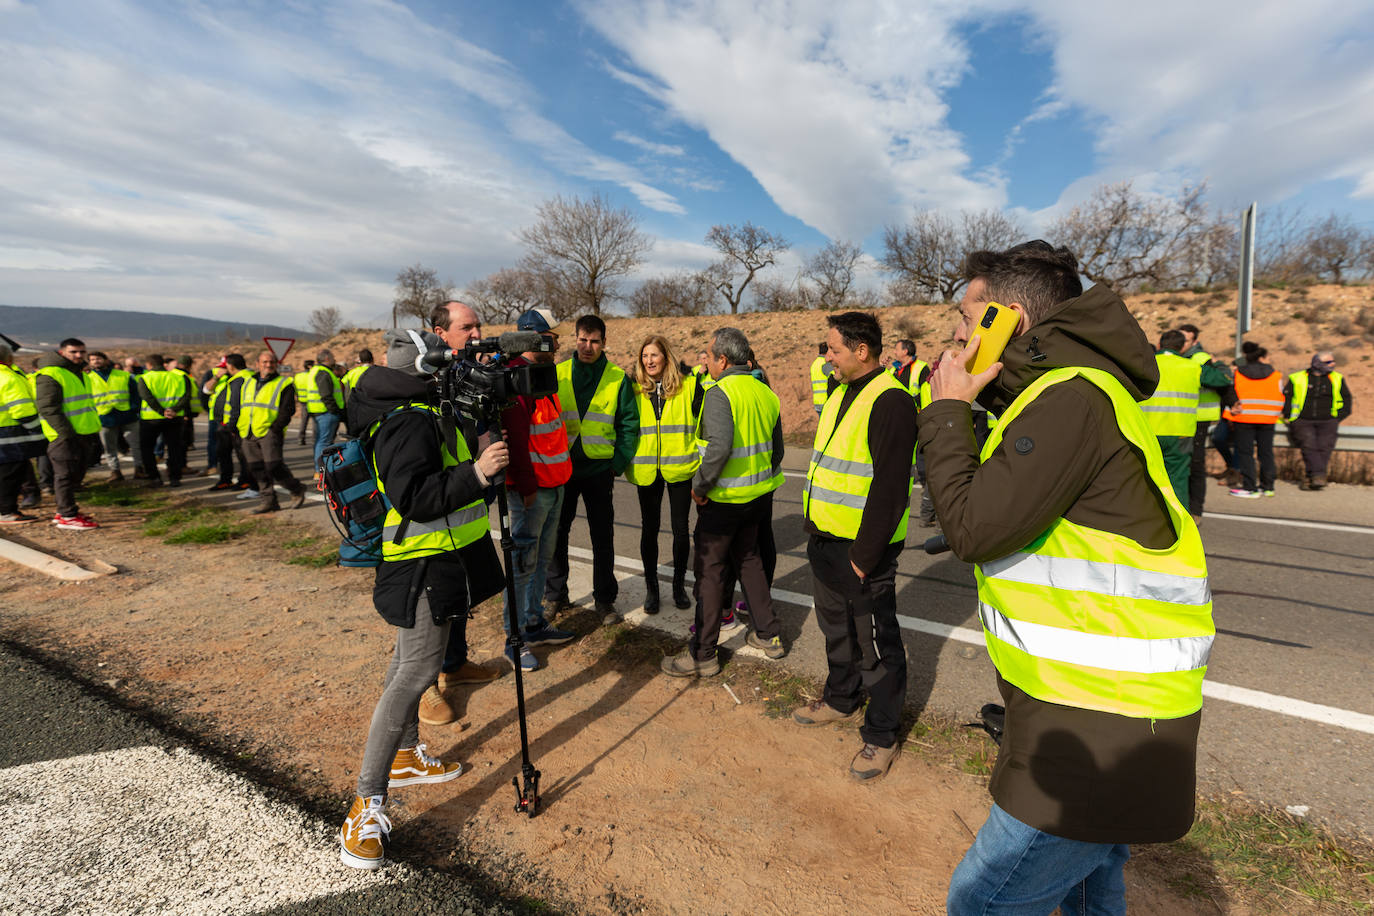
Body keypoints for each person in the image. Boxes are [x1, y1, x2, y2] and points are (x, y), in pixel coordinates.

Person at [918, 241, 1213, 915]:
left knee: (982, 902)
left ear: (1008, 320)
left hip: (1096, 726)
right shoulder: (1066, 394)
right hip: (1099, 715)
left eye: (966, 319)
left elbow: (971, 529)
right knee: (1090, 896)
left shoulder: (1070, 400)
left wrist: (948, 410)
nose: (955, 335)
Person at [339, 328, 509, 871]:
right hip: (421, 564)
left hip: (439, 560)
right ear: (425, 367)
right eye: (445, 358)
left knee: (406, 667)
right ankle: (366, 802)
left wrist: (481, 464)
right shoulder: (407, 419)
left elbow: (453, 482)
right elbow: (415, 497)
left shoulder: (426, 409)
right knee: (413, 675)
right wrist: (478, 472)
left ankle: (408, 755)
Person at [792, 312, 917, 781]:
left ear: (861, 351)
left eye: (833, 349)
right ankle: (842, 699)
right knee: (837, 631)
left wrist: (864, 558)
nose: (827, 357)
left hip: (863, 552)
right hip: (825, 540)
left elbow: (890, 490)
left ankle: (881, 734)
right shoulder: (842, 392)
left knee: (877, 646)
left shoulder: (892, 402)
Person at [660, 327, 784, 678]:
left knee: (710, 573)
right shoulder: (765, 392)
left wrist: (700, 487)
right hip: (757, 497)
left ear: (723, 360)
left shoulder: (720, 392)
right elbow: (778, 452)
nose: (708, 362)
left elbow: (718, 448)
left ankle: (703, 653)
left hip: (723, 500)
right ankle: (768, 635)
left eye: (709, 356)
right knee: (750, 560)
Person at [490, 308, 577, 672]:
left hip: (554, 485)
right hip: (532, 492)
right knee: (523, 564)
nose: (558, 342)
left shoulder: (543, 376)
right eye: (552, 336)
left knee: (540, 560)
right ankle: (516, 638)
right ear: (535, 338)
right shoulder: (515, 380)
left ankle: (533, 622)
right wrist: (526, 488)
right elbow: (518, 443)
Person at [545, 314, 640, 625]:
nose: (587, 346)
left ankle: (605, 599)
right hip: (562, 468)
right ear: (575, 338)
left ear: (603, 342)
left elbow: (629, 424)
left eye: (594, 341)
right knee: (557, 533)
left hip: (599, 470)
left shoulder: (616, 378)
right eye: (583, 340)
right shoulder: (556, 374)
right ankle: (556, 594)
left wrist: (616, 464)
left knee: (603, 536)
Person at [628, 334, 703, 613]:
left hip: (680, 467)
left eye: (654, 355)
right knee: (649, 530)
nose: (649, 361)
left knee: (681, 531)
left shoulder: (689, 387)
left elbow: (703, 425)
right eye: (644, 356)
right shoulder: (633, 389)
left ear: (665, 358)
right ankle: (652, 590)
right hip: (647, 469)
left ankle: (678, 586)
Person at [35, 338, 101, 529]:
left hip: (83, 432)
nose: (79, 355)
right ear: (62, 352)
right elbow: (48, 407)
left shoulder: (79, 373)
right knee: (64, 475)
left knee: (75, 475)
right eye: (74, 352)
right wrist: (65, 433)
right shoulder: (51, 374)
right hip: (65, 435)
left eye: (82, 352)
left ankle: (64, 510)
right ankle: (67, 516)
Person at [237, 349, 308, 514]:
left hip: (269, 431)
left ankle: (296, 489)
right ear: (257, 364)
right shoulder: (248, 382)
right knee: (256, 468)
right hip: (247, 431)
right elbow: (240, 405)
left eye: (271, 362)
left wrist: (275, 429)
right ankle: (269, 501)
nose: (268, 365)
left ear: (276, 364)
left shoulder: (284, 383)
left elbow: (287, 409)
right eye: (265, 362)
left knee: (273, 466)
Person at [1140, 330, 1202, 506]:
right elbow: (1220, 380)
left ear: (1159, 345)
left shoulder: (1143, 363)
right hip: (1179, 432)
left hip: (1145, 431)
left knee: (1143, 477)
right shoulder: (1193, 367)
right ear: (1183, 347)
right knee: (1178, 479)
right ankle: (1179, 527)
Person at [1177, 324, 1234, 515]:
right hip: (1177, 418)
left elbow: (1223, 383)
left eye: (1185, 340)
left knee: (1195, 465)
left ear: (1195, 342)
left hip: (1198, 419)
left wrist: (1233, 403)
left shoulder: (1201, 359)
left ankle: (1195, 511)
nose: (1180, 343)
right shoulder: (1175, 359)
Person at [1284, 351, 1353, 490]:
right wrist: (1289, 416)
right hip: (1302, 420)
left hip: (1328, 420)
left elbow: (1347, 399)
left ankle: (1312, 478)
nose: (1332, 364)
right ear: (1317, 363)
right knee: (1309, 446)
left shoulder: (1337, 378)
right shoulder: (1297, 377)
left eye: (1333, 361)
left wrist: (1338, 417)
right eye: (1328, 362)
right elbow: (1286, 397)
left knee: (1324, 448)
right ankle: (1318, 476)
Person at [1227, 341, 1283, 498]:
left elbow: (1231, 393)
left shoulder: (1238, 373)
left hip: (1244, 417)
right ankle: (1268, 487)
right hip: (1268, 418)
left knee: (1246, 453)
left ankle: (1250, 487)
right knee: (1266, 453)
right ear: (1261, 357)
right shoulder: (1275, 374)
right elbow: (1282, 396)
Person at [0, 344, 48, 524]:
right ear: (9, 358)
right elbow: (22, 409)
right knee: (11, 474)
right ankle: (7, 512)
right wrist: (37, 427)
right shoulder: (8, 377)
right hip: (10, 435)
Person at [136, 353, 189, 488]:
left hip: (151, 419)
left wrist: (161, 411)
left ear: (149, 365)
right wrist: (175, 410)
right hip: (174, 418)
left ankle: (154, 478)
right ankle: (175, 478)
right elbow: (186, 396)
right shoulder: (180, 377)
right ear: (163, 364)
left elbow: (147, 397)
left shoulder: (144, 378)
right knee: (174, 448)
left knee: (147, 449)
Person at [86, 350, 139, 483]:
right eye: (92, 359)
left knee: (136, 444)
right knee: (109, 448)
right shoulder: (87, 378)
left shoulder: (123, 375)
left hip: (127, 415)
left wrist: (134, 408)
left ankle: (140, 469)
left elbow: (136, 393)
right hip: (104, 417)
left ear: (106, 360)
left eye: (98, 358)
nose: (96, 361)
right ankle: (115, 472)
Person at [206, 354, 256, 492]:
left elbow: (236, 405)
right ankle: (226, 480)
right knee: (223, 452)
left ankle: (244, 481)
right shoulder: (241, 377)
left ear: (231, 366)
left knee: (242, 455)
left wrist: (232, 426)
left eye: (226, 366)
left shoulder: (240, 379)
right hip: (226, 423)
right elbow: (206, 390)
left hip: (235, 424)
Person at [304, 349, 346, 474]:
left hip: (320, 412)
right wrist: (334, 411)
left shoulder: (317, 371)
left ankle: (320, 470)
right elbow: (326, 395)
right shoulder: (323, 372)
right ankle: (321, 471)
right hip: (326, 412)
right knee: (324, 442)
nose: (334, 359)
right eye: (333, 357)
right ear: (326, 359)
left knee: (320, 441)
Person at [293, 359, 315, 446]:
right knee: (315, 422)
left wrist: (298, 396)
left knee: (304, 421)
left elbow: (294, 388)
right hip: (313, 401)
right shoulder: (313, 375)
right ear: (310, 366)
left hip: (303, 401)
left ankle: (301, 439)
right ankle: (314, 439)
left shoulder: (298, 376)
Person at [809, 342, 832, 415]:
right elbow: (837, 379)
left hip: (817, 402)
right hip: (827, 402)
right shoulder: (825, 363)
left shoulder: (814, 364)